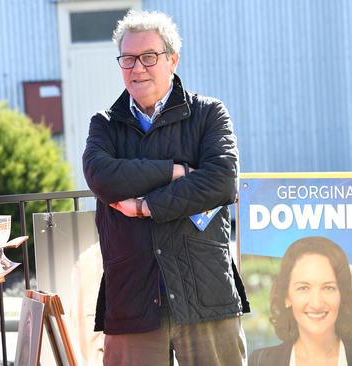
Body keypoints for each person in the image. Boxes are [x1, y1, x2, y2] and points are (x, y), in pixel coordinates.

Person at [82, 10, 249, 365]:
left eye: (149, 57)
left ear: (173, 59)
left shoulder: (209, 114)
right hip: (132, 299)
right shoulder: (105, 125)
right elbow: (101, 177)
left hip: (206, 295)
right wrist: (175, 171)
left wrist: (146, 206)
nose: (137, 68)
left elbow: (221, 181)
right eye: (128, 59)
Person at [249, 236, 352, 366]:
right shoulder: (261, 361)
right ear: (287, 296)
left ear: (342, 294)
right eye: (303, 288)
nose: (316, 303)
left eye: (328, 288)